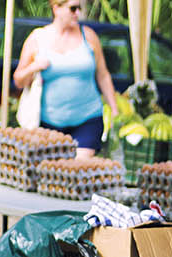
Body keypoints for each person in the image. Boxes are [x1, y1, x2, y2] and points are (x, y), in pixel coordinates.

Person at [13, 0, 120, 156]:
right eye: (73, 8)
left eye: (79, 8)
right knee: (52, 173)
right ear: (56, 8)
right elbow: (18, 80)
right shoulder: (37, 38)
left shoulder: (88, 35)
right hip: (48, 123)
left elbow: (103, 75)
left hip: (88, 118)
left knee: (78, 170)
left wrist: (114, 110)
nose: (78, 13)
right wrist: (34, 67)